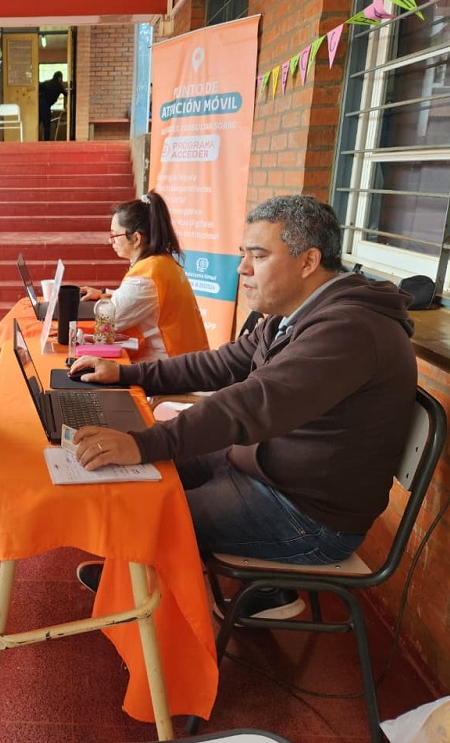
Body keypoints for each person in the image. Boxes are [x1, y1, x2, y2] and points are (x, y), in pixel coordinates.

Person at [68, 195, 418, 619]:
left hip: (304, 514)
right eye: (243, 254)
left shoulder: (350, 330)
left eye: (259, 256)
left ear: (308, 262)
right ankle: (135, 576)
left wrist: (141, 444)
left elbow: (252, 403)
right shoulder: (294, 314)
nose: (242, 269)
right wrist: (126, 374)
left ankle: (139, 596)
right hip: (262, 467)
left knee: (152, 511)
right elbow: (222, 364)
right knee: (145, 479)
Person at [80, 191, 209, 361]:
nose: (111, 241)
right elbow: (139, 299)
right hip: (188, 361)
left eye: (114, 235)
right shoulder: (162, 262)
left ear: (136, 238)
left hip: (171, 367)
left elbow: (109, 322)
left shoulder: (146, 277)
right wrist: (104, 294)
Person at [38, 70, 67, 141]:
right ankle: (46, 141)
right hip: (46, 105)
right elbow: (67, 94)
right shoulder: (59, 86)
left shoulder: (46, 82)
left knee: (38, 121)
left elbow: (37, 88)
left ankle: (35, 138)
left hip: (39, 103)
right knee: (47, 124)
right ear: (59, 78)